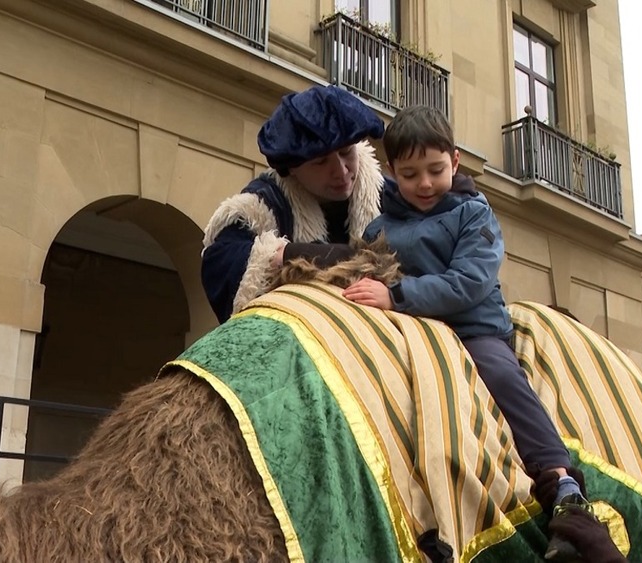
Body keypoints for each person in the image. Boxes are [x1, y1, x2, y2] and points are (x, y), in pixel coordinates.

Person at [341, 104, 594, 561]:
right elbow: (364, 270)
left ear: (454, 162)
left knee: (501, 374)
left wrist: (396, 296)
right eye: (410, 173)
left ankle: (562, 481)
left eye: (435, 170)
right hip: (411, 333)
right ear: (392, 172)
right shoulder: (379, 227)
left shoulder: (474, 213)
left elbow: (469, 282)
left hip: (472, 330)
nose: (423, 183)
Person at [201, 84, 386, 322]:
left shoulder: (388, 196)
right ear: (292, 169)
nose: (340, 171)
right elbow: (222, 262)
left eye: (346, 152)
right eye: (321, 162)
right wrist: (281, 256)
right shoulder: (260, 207)